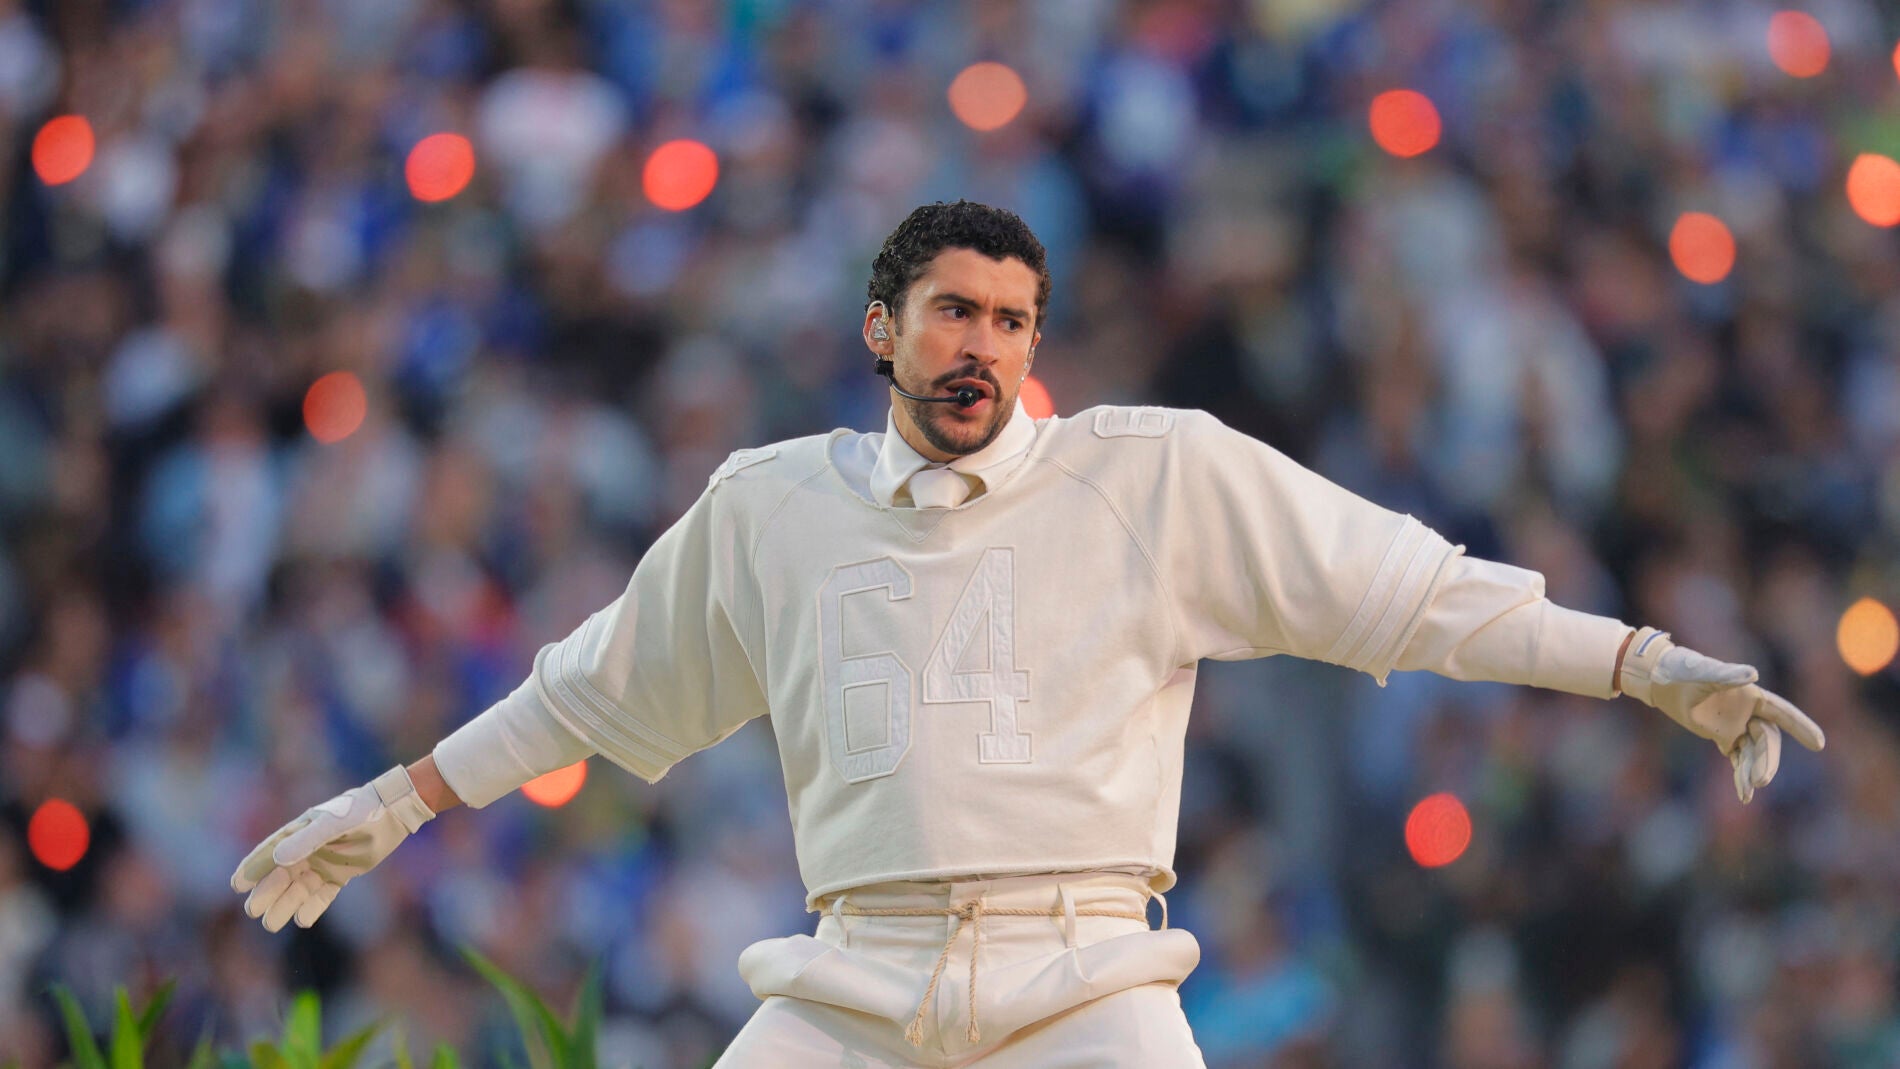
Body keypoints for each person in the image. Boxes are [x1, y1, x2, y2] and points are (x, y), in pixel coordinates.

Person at [231, 200, 1825, 1067]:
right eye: (952, 310)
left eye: (1009, 319)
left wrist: (1635, 660)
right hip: (851, 984)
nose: (980, 343)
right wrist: (398, 799)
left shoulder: (1153, 474)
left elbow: (1408, 588)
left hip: (1088, 985)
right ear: (883, 328)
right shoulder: (767, 504)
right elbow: (589, 690)